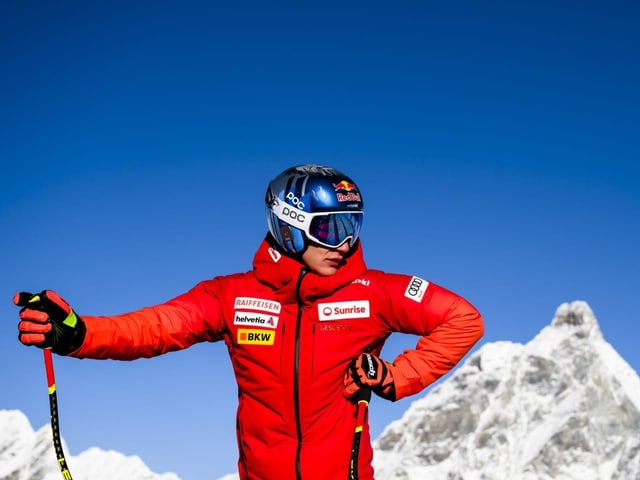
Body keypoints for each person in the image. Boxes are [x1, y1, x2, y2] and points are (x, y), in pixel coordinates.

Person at [14, 164, 484, 480]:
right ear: (287, 224)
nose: (343, 243)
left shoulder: (375, 293)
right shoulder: (233, 296)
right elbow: (156, 327)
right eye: (329, 228)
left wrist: (395, 376)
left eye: (352, 226)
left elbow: (463, 319)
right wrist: (79, 333)